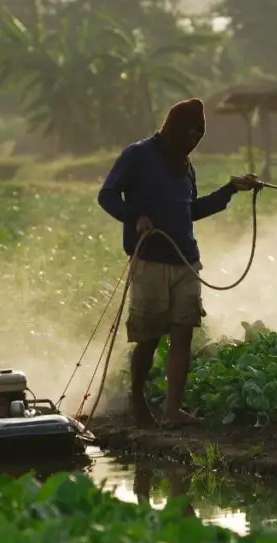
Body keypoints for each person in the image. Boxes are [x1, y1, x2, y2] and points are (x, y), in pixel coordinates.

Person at [97, 98, 258, 429]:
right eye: (189, 135)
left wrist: (231, 190)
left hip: (186, 261)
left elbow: (191, 211)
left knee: (183, 332)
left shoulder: (186, 168)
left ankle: (172, 410)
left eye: (198, 137)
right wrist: (135, 217)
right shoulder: (138, 156)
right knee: (149, 337)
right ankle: (137, 399)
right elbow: (107, 195)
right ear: (172, 129)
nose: (193, 142)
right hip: (150, 261)